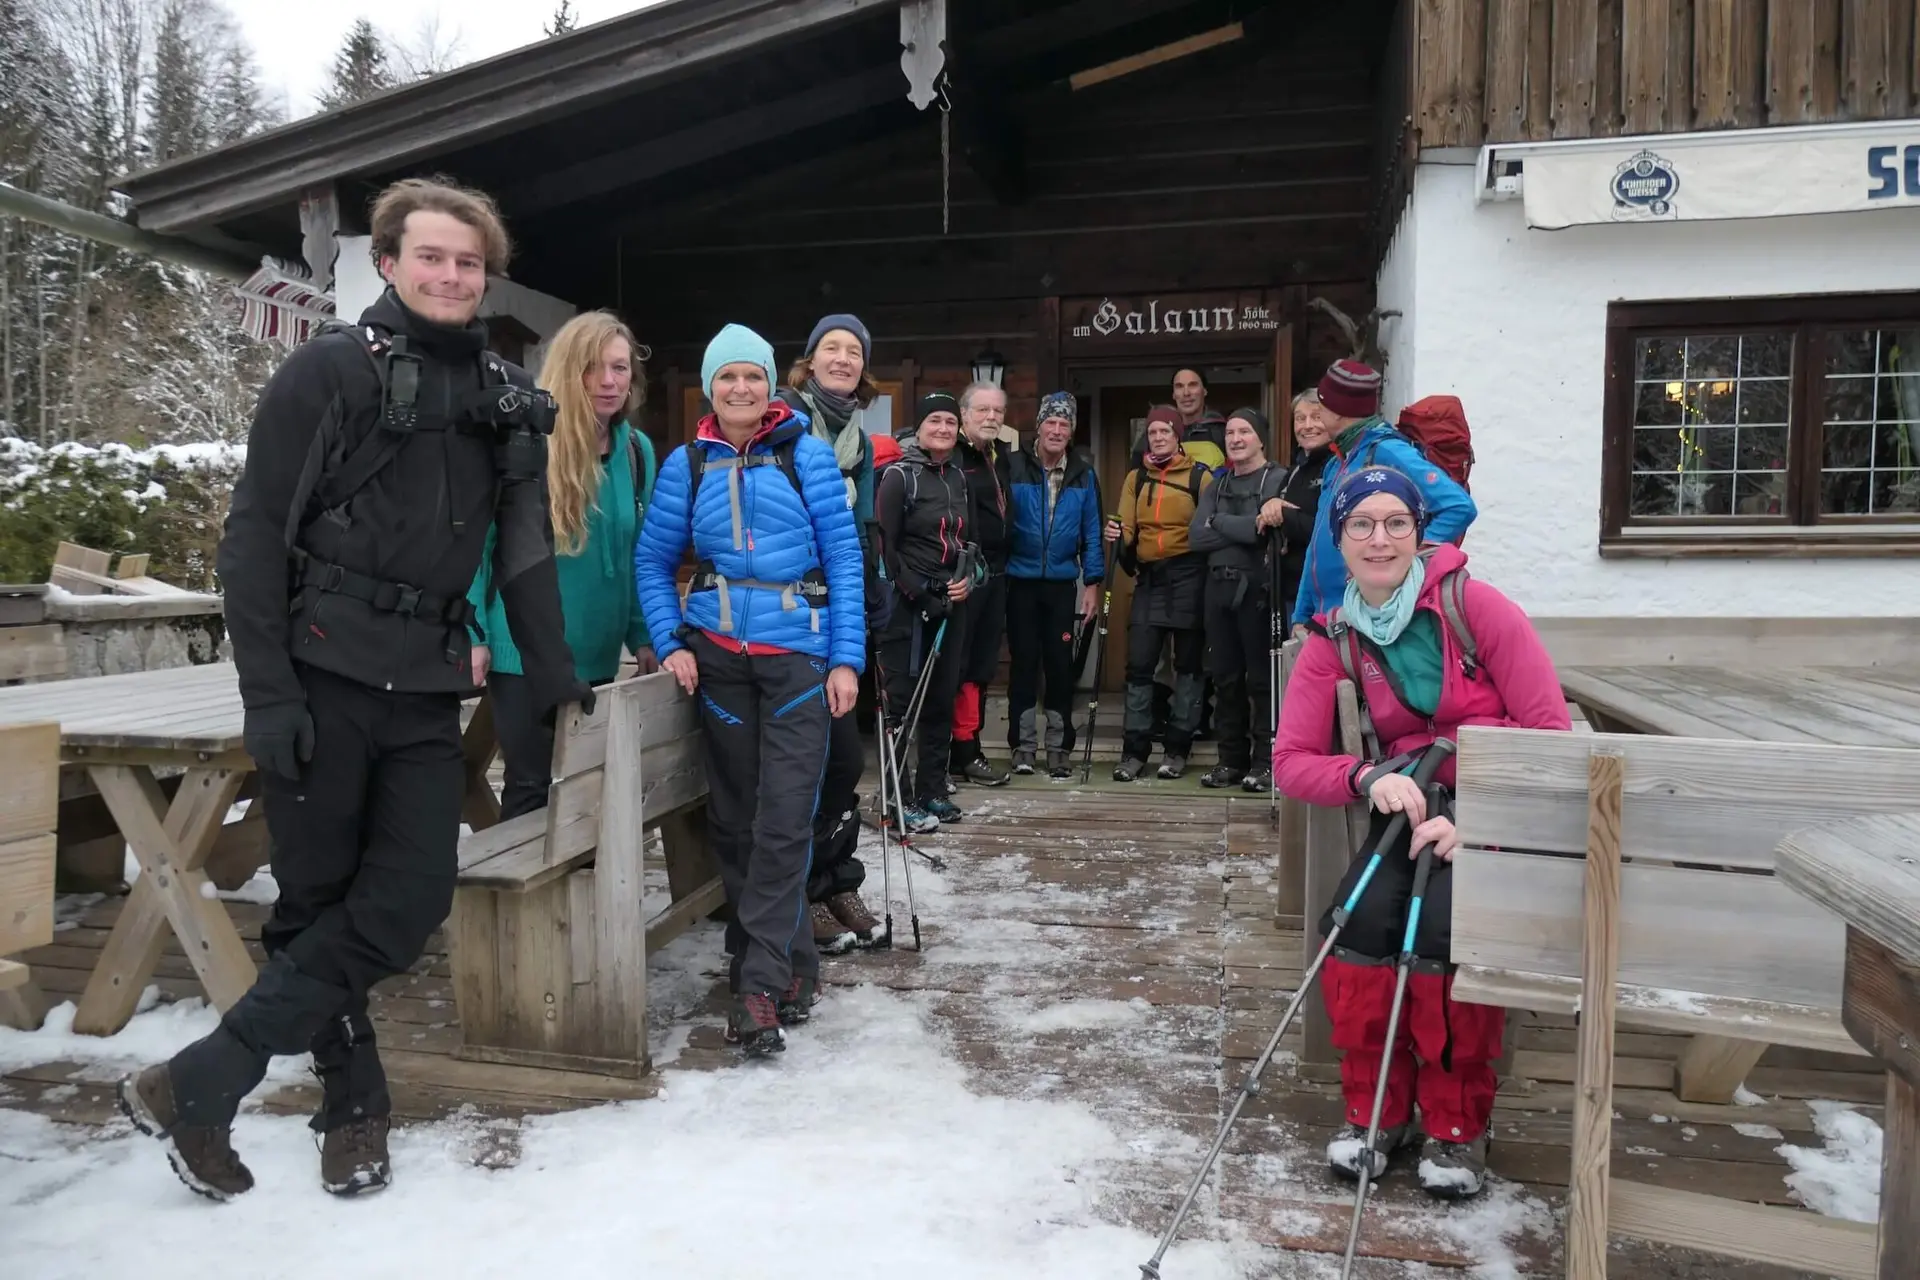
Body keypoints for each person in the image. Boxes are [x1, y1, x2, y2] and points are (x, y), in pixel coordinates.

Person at [119, 177, 590, 1200]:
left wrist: (549, 669)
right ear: (388, 263)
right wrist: (269, 693)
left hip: (424, 687)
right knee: (318, 901)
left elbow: (521, 548)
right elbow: (251, 540)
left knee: (408, 897)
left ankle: (205, 1075)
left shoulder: (503, 396)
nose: (451, 275)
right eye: (433, 257)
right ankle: (354, 1104)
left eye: (468, 262)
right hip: (322, 673)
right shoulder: (325, 373)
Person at [1273, 465, 1570, 1199]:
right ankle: (1377, 1110)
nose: (1380, 540)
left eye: (1395, 523)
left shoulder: (1479, 609)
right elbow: (1291, 762)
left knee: (1443, 934)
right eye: (1361, 526)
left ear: (1418, 530)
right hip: (1404, 814)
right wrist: (1366, 778)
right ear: (1339, 541)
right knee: (1358, 926)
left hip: (1485, 813)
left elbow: (1549, 737)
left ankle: (1457, 1125)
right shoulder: (1332, 638)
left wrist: (1481, 823)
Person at [634, 323, 864, 1057]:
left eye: (753, 378)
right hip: (720, 661)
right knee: (734, 820)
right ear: (710, 387)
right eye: (727, 378)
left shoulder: (810, 457)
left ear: (773, 385)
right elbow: (652, 561)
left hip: (798, 659)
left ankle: (757, 986)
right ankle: (794, 964)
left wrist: (845, 660)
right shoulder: (687, 465)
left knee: (785, 819)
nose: (741, 390)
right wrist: (671, 642)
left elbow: (846, 564)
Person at [467, 311, 657, 820]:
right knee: (531, 796)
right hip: (522, 654)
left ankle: (583, 903)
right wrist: (473, 633)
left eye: (620, 368)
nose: (610, 381)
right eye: (595, 367)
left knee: (587, 802)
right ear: (568, 371)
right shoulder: (527, 441)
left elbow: (640, 552)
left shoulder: (636, 451)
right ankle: (523, 904)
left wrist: (644, 635)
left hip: (597, 653)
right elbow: (480, 545)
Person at [776, 314, 883, 953]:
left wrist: (874, 591)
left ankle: (838, 878)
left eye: (853, 352)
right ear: (809, 361)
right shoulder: (784, 421)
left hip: (838, 609)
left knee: (844, 759)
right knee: (805, 762)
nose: (842, 358)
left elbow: (865, 525)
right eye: (831, 349)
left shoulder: (860, 441)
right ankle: (803, 891)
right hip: (788, 615)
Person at [1290, 360, 1476, 631]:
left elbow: (1459, 507)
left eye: (1321, 405)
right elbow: (1318, 544)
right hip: (1323, 620)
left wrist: (1405, 558)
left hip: (1365, 619)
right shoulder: (1336, 462)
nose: (1318, 412)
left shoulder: (1387, 451)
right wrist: (1301, 615)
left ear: (1338, 412)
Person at [874, 390, 976, 828]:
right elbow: (886, 548)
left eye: (950, 423)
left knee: (940, 698)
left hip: (949, 602)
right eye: (935, 421)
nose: (943, 429)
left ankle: (933, 789)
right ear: (920, 428)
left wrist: (968, 578)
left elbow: (965, 542)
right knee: (903, 702)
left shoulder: (958, 477)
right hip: (908, 605)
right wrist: (919, 594)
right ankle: (898, 797)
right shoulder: (900, 476)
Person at [1188, 407, 1295, 791]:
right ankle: (1229, 761)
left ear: (1260, 438)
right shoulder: (1217, 485)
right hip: (1216, 590)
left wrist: (1219, 522)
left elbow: (1265, 534)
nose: (1235, 439)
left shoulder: (1277, 479)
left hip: (1259, 591)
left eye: (1244, 432)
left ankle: (1265, 763)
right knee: (1225, 679)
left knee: (1262, 681)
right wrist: (1247, 525)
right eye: (1230, 432)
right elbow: (1196, 538)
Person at [1106, 405, 1213, 780]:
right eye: (1152, 432)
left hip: (1190, 576)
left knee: (1189, 666)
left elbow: (1208, 528)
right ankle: (1134, 752)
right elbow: (1127, 524)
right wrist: (1119, 538)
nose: (1158, 437)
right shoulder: (1137, 478)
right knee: (1139, 665)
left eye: (1165, 431)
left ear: (1177, 434)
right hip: (1151, 578)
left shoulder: (1201, 477)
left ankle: (1177, 749)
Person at [1004, 392, 1104, 777]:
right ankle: (1023, 746)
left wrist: (1093, 583)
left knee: (1060, 666)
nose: (1057, 430)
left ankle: (1059, 748)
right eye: (1051, 423)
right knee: (1024, 664)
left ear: (1071, 431)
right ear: (1040, 426)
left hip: (1063, 585)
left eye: (1065, 425)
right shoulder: (1013, 466)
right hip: (1020, 581)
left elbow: (1092, 533)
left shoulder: (1083, 474)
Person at [948, 380, 1014, 786]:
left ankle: (968, 749)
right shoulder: (954, 455)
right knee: (957, 665)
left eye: (999, 412)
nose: (992, 417)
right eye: (983, 410)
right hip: (963, 575)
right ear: (964, 413)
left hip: (997, 574)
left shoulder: (999, 456)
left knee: (980, 665)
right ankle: (953, 753)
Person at [1276, 389, 1333, 619]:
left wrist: (1284, 514)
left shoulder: (1338, 466)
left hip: (1326, 595)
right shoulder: (1294, 471)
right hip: (1292, 592)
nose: (1307, 425)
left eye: (1316, 417)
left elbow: (1329, 531)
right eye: (1300, 418)